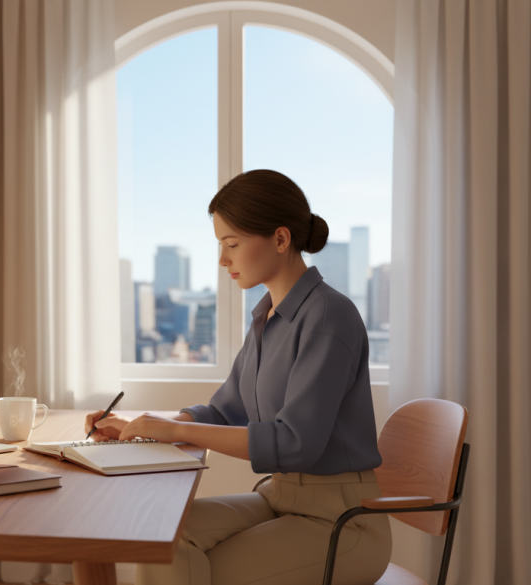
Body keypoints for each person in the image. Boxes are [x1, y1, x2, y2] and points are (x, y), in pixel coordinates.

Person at [87, 170, 391, 585]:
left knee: (198, 570)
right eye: (220, 245)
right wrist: (140, 428)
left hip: (342, 522)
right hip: (280, 498)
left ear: (280, 239)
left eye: (232, 244)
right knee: (161, 533)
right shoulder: (267, 316)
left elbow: (295, 442)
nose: (222, 260)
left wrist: (175, 431)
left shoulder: (328, 316)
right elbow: (224, 410)